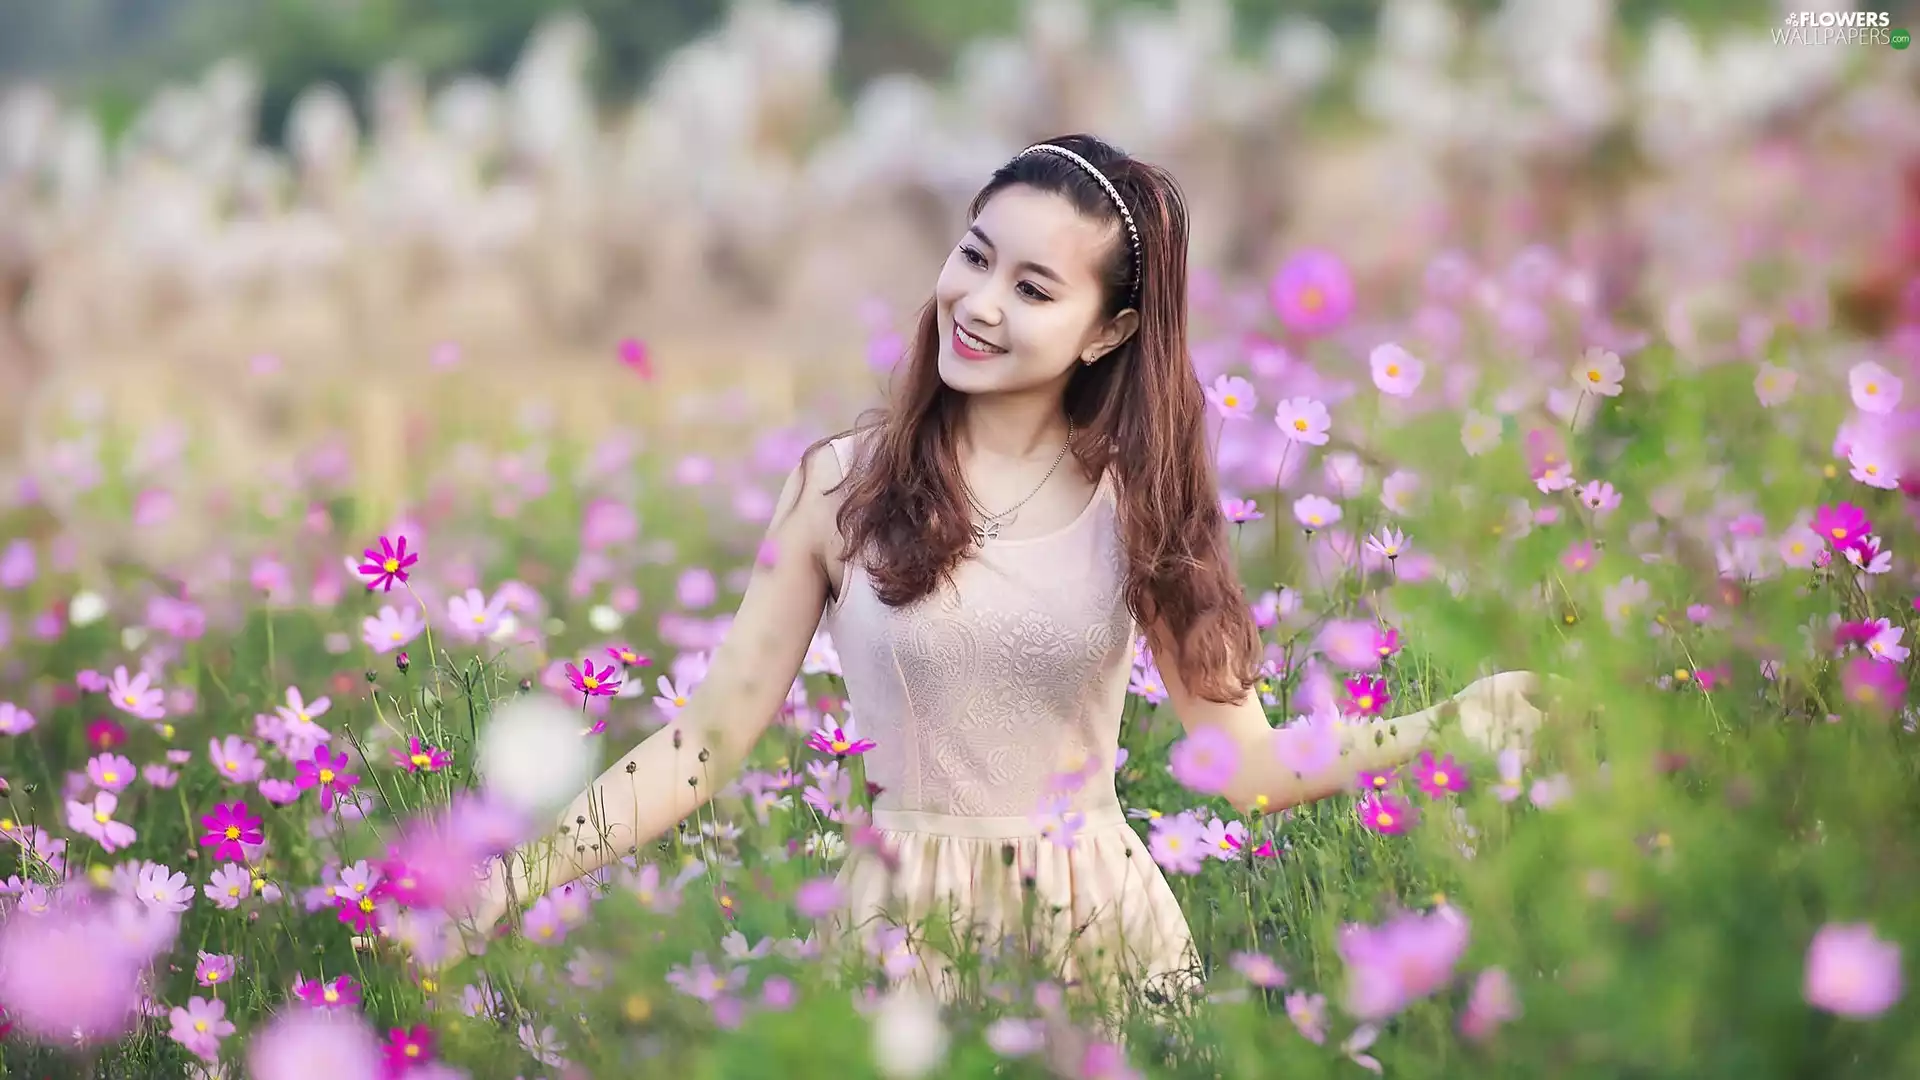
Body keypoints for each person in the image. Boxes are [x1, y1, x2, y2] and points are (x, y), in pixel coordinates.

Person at [463, 134, 1548, 1006]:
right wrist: (512, 881)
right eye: (975, 256)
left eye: (1034, 289)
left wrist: (1440, 724)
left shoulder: (1143, 510)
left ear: (1108, 331)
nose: (980, 303)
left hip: (1097, 942)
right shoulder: (845, 490)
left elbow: (1252, 766)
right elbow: (704, 743)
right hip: (897, 943)